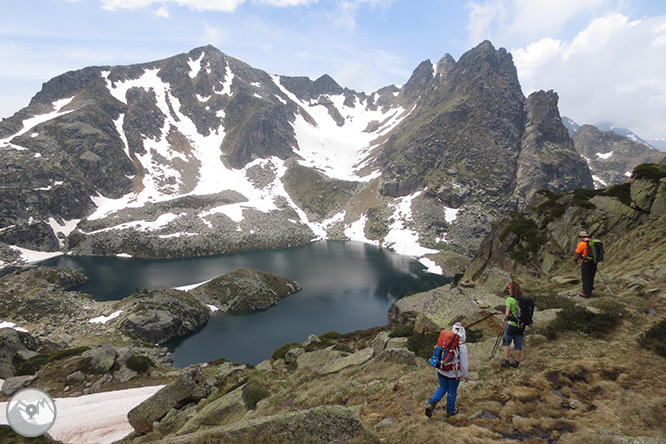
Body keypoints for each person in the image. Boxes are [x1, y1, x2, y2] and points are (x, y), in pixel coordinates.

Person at [425, 322, 469, 418]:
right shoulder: (462, 346)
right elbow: (464, 364)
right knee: (452, 392)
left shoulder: (445, 340)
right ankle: (450, 410)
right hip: (453, 373)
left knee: (442, 388)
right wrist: (465, 375)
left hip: (441, 370)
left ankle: (430, 403)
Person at [502, 281, 524, 368]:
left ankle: (506, 361)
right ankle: (516, 362)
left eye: (509, 288)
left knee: (506, 342)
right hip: (521, 326)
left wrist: (505, 317)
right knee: (518, 345)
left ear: (512, 289)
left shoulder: (509, 299)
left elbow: (507, 314)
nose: (508, 289)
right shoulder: (522, 300)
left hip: (511, 325)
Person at [574, 230, 596, 298]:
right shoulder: (593, 242)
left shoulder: (582, 244)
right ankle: (590, 291)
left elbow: (578, 254)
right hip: (594, 262)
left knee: (585, 277)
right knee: (591, 276)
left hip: (586, 262)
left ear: (581, 237)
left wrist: (575, 261)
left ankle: (586, 293)